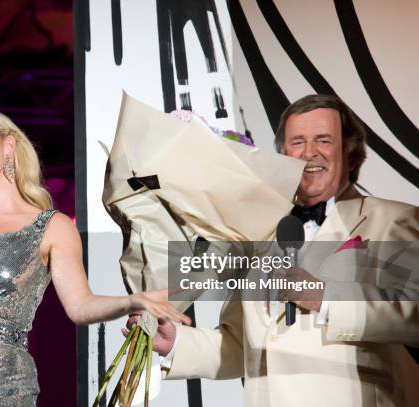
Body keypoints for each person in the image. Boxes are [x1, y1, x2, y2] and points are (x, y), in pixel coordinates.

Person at [0, 110, 191, 406]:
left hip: (0, 387)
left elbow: (80, 305)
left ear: (8, 145)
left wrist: (133, 301)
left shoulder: (50, 226)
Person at [127, 94, 419, 406]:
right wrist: (175, 344)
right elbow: (238, 345)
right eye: (297, 141)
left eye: (323, 140)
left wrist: (326, 298)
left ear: (349, 150)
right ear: (282, 153)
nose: (309, 152)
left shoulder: (394, 219)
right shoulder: (257, 232)